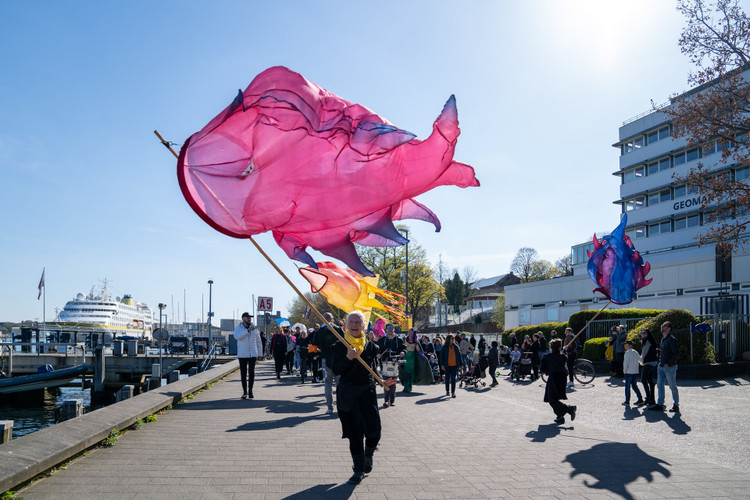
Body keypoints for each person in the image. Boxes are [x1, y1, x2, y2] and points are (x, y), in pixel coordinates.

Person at [332, 310, 395, 485]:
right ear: (346, 325)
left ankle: (369, 453)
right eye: (351, 322)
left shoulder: (371, 346)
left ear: (363, 325)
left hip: (367, 393)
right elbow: (336, 370)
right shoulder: (340, 345)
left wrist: (380, 379)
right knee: (355, 434)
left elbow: (372, 367)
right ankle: (358, 469)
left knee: (374, 432)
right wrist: (347, 358)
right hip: (348, 395)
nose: (354, 325)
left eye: (357, 322)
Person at [311, 312, 343, 414]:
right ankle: (341, 406)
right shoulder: (338, 329)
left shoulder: (319, 331)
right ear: (332, 319)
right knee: (339, 383)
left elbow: (313, 347)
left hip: (325, 360)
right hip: (338, 360)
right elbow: (345, 343)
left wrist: (315, 357)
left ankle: (330, 407)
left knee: (328, 383)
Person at [540, 338, 577, 424]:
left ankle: (569, 409)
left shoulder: (547, 357)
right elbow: (563, 357)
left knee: (551, 399)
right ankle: (560, 417)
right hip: (562, 378)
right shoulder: (563, 356)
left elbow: (542, 369)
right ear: (559, 347)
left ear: (551, 347)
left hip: (553, 378)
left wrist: (546, 370)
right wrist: (564, 350)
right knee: (554, 398)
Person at [649, 321, 680, 413]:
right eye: (662, 325)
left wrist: (670, 363)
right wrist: (660, 361)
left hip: (669, 367)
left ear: (669, 328)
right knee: (660, 385)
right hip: (661, 366)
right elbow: (663, 352)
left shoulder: (672, 339)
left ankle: (676, 405)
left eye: (664, 326)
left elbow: (676, 353)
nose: (662, 327)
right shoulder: (663, 339)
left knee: (672, 386)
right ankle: (660, 404)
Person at [233, 312, 262, 399]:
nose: (249, 319)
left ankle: (250, 391)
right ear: (243, 318)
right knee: (243, 374)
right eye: (248, 317)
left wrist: (260, 353)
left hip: (252, 354)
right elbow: (237, 337)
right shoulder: (238, 328)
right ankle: (244, 392)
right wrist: (248, 331)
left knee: (252, 373)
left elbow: (259, 342)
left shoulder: (255, 329)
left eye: (250, 317)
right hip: (242, 354)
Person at [376, 323, 404, 407]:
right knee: (386, 382)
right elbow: (377, 349)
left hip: (394, 363)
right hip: (384, 363)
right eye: (388, 328)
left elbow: (403, 348)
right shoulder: (381, 340)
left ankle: (392, 400)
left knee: (393, 382)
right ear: (386, 329)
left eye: (392, 328)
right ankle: (386, 400)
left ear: (394, 329)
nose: (390, 329)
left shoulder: (398, 339)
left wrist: (403, 352)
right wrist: (378, 354)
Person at [639, 330, 658, 407]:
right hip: (653, 363)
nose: (642, 334)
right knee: (650, 381)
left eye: (644, 333)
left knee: (643, 380)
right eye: (641, 333)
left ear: (647, 334)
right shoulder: (651, 341)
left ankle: (649, 397)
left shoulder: (647, 342)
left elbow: (644, 353)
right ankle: (652, 398)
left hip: (648, 363)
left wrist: (641, 361)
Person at [622, 340, 644, 406]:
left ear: (630, 345)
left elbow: (626, 363)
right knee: (634, 386)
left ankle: (627, 401)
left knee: (627, 387)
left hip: (628, 372)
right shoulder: (635, 352)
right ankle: (640, 399)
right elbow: (641, 360)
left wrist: (624, 370)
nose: (625, 346)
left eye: (627, 345)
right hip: (635, 371)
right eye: (625, 345)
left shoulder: (627, 353)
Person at [402, 328, 421, 392]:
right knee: (405, 372)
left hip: (411, 358)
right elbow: (402, 348)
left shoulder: (416, 341)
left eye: (411, 332)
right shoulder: (405, 339)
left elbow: (418, 350)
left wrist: (423, 356)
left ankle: (409, 387)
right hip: (405, 357)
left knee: (410, 373)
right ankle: (405, 387)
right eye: (409, 331)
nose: (410, 333)